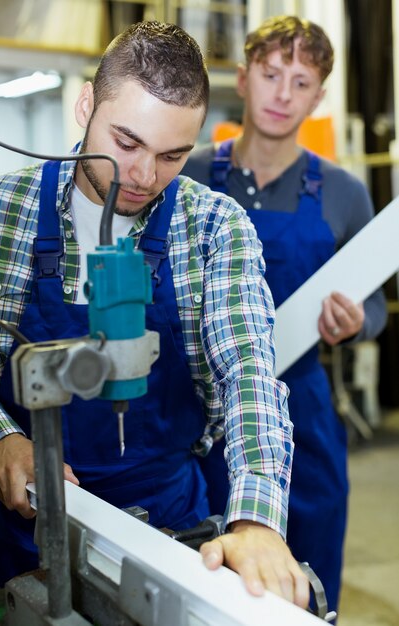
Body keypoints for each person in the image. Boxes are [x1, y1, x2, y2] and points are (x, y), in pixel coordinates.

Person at [0, 21, 310, 607]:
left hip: (167, 521)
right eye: (126, 143)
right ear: (86, 105)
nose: (142, 177)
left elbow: (248, 375)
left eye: (172, 155)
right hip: (25, 515)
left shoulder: (214, 226)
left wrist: (258, 521)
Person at [182, 14, 387, 617]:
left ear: (319, 95)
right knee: (214, 580)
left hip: (307, 413)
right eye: (272, 74)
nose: (283, 94)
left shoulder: (346, 192)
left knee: (312, 581)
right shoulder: (189, 174)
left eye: (301, 82)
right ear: (244, 79)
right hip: (205, 411)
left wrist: (354, 322)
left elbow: (374, 311)